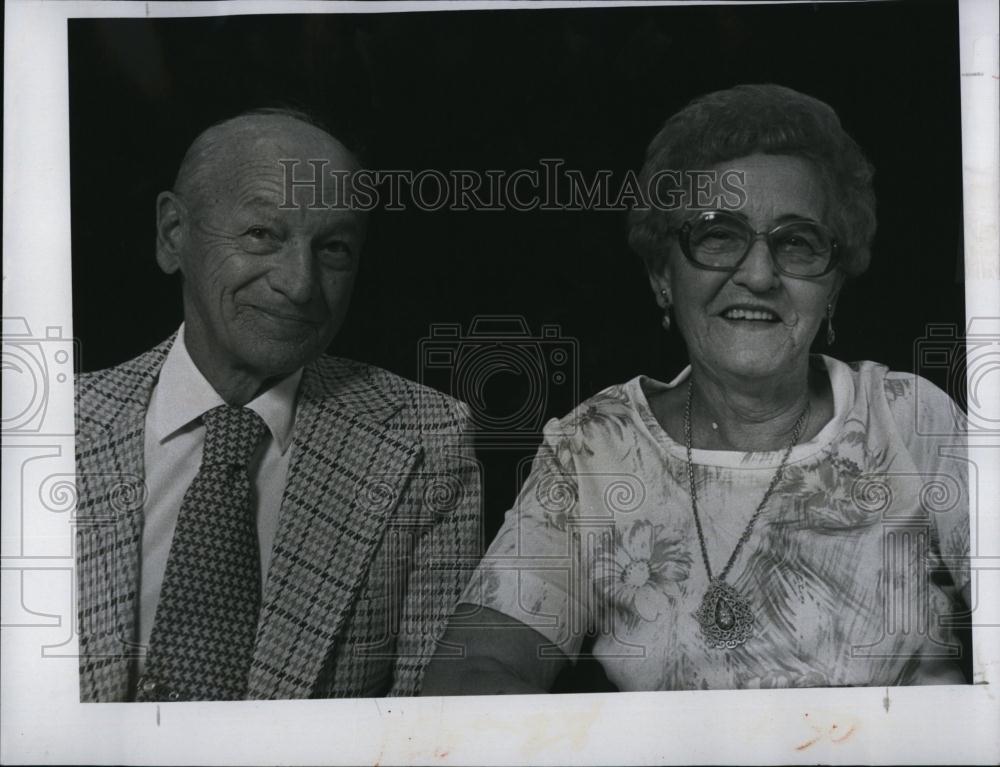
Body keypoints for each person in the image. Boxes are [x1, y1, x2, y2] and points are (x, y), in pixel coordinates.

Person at [421, 84, 971, 694]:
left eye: (797, 243)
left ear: (834, 287)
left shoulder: (910, 418)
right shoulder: (596, 450)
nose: (759, 274)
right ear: (663, 274)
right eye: (718, 235)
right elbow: (475, 670)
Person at [74, 108, 481, 701]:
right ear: (172, 234)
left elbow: (427, 725)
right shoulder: (50, 427)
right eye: (263, 234)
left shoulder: (427, 440)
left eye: (334, 248)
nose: (300, 283)